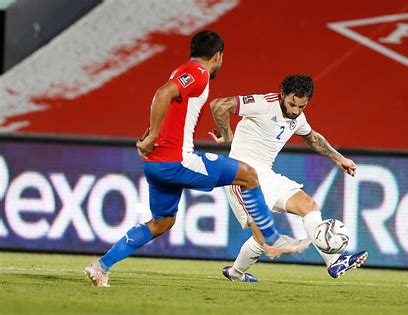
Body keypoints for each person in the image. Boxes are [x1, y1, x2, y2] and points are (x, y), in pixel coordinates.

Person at [84, 31, 309, 287]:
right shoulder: (198, 72)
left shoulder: (179, 70)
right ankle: (270, 238)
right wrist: (153, 135)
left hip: (156, 163)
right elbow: (162, 94)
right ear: (218, 56)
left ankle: (101, 266)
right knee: (248, 175)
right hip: (178, 160)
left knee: (162, 222)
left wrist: (149, 137)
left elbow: (167, 104)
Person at [208, 75, 368, 282]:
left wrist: (338, 158)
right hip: (240, 176)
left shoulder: (298, 118)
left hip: (266, 175)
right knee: (262, 237)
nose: (295, 110)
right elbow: (218, 105)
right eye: (292, 103)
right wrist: (227, 135)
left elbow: (312, 137)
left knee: (308, 205)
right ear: (282, 94)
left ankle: (334, 261)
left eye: (301, 106)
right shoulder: (263, 104)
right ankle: (236, 273)